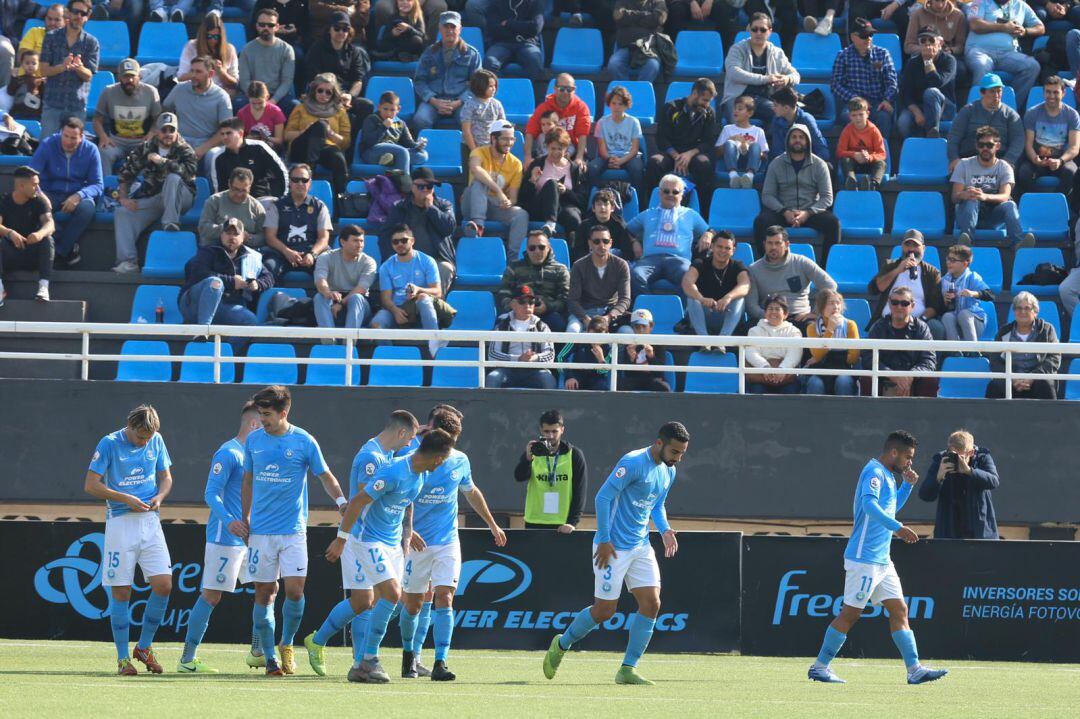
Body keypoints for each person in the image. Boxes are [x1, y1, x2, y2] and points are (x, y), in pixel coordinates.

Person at [543, 421, 690, 686]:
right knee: (604, 611)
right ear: (660, 443)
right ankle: (562, 644)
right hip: (612, 547)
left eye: (682, 453)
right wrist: (604, 539)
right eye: (675, 452)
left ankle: (627, 669)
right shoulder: (632, 462)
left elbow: (657, 506)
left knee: (652, 603)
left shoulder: (669, 471)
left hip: (640, 546)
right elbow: (602, 498)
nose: (678, 458)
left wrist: (665, 530)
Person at [808, 430, 948, 685]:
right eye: (908, 456)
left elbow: (889, 507)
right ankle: (819, 667)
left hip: (882, 559)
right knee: (850, 614)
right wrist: (898, 528)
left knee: (900, 609)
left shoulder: (888, 476)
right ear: (894, 452)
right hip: (864, 558)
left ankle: (914, 669)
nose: (909, 462)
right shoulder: (873, 472)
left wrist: (907, 485)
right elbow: (870, 507)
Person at [324, 428, 455, 683]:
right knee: (393, 594)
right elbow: (359, 501)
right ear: (437, 457)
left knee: (392, 599)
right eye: (443, 459)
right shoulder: (394, 471)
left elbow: (406, 507)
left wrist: (406, 537)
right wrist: (341, 539)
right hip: (368, 540)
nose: (443, 464)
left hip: (392, 543)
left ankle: (362, 663)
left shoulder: (419, 476)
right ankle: (368, 660)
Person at [304, 410, 420, 677]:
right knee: (365, 600)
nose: (410, 445)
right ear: (401, 432)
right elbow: (364, 499)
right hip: (360, 538)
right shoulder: (371, 457)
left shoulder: (388, 456)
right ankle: (349, 655)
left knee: (369, 601)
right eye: (410, 438)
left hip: (377, 538)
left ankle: (342, 653)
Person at [242, 385, 347, 676]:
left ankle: (286, 645)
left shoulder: (304, 441)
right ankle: (269, 658)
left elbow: (325, 475)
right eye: (260, 414)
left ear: (283, 412)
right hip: (261, 532)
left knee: (295, 591)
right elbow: (248, 481)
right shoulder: (253, 441)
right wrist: (245, 517)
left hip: (293, 531)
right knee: (263, 593)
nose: (262, 420)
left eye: (267, 415)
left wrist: (340, 501)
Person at [399, 413, 506, 681]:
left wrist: (492, 524)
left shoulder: (460, 460)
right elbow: (397, 496)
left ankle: (440, 662)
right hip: (417, 543)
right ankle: (409, 656)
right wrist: (407, 531)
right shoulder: (411, 457)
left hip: (447, 541)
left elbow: (471, 491)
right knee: (413, 605)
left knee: (445, 597)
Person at [84, 405, 174, 677]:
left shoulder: (156, 439)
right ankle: (123, 659)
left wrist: (159, 497)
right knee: (121, 592)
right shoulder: (110, 443)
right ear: (130, 426)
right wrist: (126, 498)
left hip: (150, 521)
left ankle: (144, 647)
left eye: (148, 437)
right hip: (121, 523)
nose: (145, 441)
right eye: (141, 436)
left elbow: (166, 477)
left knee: (163, 584)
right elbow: (90, 485)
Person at [177, 401, 262, 674]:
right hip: (225, 537)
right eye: (265, 421)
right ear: (254, 424)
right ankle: (187, 659)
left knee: (267, 590)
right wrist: (230, 522)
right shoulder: (228, 453)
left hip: (253, 537)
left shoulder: (257, 455)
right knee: (211, 596)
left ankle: (258, 652)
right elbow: (210, 493)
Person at [112, 113, 198, 274]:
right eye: (164, 130)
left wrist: (163, 161)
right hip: (156, 198)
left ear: (177, 132)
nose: (167, 134)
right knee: (122, 213)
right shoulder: (146, 147)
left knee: (173, 178)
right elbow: (126, 173)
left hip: (182, 198)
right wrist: (123, 198)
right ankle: (128, 262)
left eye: (171, 130)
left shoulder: (185, 149)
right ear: (157, 131)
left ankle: (170, 224)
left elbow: (189, 174)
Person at [755, 124, 840, 258]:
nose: (797, 140)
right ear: (788, 140)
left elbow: (827, 197)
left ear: (808, 141)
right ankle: (763, 264)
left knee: (833, 223)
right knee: (761, 221)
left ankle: (826, 268)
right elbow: (767, 195)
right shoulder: (776, 163)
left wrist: (808, 213)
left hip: (810, 212)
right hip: (783, 212)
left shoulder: (820, 165)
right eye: (794, 137)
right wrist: (784, 211)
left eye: (801, 137)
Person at [29, 116, 102, 267]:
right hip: (49, 191)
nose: (68, 141)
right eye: (65, 136)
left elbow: (97, 184)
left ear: (82, 137)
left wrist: (79, 195)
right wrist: (42, 196)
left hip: (77, 193)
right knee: (36, 206)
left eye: (73, 138)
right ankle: (68, 249)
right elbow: (32, 175)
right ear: (61, 132)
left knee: (88, 208)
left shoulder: (91, 150)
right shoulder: (48, 144)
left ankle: (60, 251)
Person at [627, 174, 714, 298]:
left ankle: (683, 314)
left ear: (681, 194)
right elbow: (627, 230)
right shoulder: (647, 214)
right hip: (650, 260)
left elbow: (711, 230)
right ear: (660, 193)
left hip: (679, 261)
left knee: (688, 277)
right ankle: (649, 309)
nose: (671, 195)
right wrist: (634, 242)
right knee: (635, 275)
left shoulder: (691, 214)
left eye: (675, 192)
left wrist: (708, 234)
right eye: (666, 191)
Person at [950, 125, 1035, 248]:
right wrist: (965, 194)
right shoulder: (964, 164)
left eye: (989, 145)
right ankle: (966, 242)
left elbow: (1005, 196)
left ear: (997, 146)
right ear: (976, 146)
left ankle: (1018, 243)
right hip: (967, 213)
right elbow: (954, 197)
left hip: (993, 216)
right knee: (972, 200)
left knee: (1010, 205)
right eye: (981, 145)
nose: (985, 148)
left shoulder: (1004, 167)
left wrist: (984, 196)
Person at [370, 224, 447, 356]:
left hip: (421, 308)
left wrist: (419, 290)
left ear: (412, 241)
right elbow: (386, 298)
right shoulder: (386, 266)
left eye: (404, 240)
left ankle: (435, 342)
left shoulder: (427, 261)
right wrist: (395, 311)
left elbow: (437, 292)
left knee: (423, 298)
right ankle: (391, 359)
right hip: (399, 308)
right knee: (376, 325)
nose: (400, 244)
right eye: (395, 241)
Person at [180, 217, 273, 326]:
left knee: (250, 320)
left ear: (243, 237)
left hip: (225, 307)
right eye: (228, 233)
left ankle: (226, 344)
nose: (231, 237)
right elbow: (197, 272)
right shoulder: (208, 251)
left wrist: (257, 284)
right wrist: (231, 282)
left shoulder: (251, 257)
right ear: (221, 235)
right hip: (195, 304)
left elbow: (269, 277)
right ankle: (203, 330)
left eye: (236, 234)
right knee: (215, 283)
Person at [747, 226, 837, 330]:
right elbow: (751, 306)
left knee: (813, 329)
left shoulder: (801, 262)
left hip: (799, 317)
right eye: (770, 243)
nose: (773, 247)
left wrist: (816, 312)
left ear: (786, 244)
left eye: (778, 243)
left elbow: (830, 285)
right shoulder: (754, 269)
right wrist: (771, 316)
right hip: (768, 318)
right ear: (764, 244)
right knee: (745, 330)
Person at [513, 409, 588, 532]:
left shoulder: (574, 455)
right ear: (541, 430)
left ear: (562, 430)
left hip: (562, 524)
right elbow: (519, 477)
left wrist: (572, 523)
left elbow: (580, 492)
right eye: (547, 431)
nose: (551, 436)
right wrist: (527, 459)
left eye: (555, 431)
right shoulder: (534, 451)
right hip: (535, 521)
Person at [383, 166, 456, 291]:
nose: (426, 190)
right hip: (407, 258)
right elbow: (386, 236)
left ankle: (437, 305)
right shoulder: (400, 208)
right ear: (412, 187)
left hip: (437, 258)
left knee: (445, 268)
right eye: (421, 187)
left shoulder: (444, 205)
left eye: (430, 187)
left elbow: (449, 229)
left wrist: (431, 209)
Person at [462, 119, 529, 254]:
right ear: (493, 138)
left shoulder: (516, 164)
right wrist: (499, 191)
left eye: (512, 139)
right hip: (472, 203)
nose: (509, 143)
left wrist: (508, 202)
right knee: (480, 181)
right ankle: (478, 226)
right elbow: (476, 169)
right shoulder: (478, 152)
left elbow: (514, 198)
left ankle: (514, 258)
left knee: (521, 214)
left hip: (494, 206)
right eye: (505, 139)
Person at [918, 429, 1000, 540]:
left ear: (971, 452)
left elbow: (994, 481)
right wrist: (938, 477)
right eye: (953, 455)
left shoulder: (982, 457)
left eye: (960, 457)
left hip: (980, 531)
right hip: (949, 532)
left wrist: (969, 471)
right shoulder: (941, 460)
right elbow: (925, 495)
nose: (956, 460)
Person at [720, 13, 799, 126]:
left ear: (770, 31)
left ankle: (766, 141)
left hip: (765, 100)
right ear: (749, 29)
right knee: (736, 130)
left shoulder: (777, 52)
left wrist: (787, 79)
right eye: (754, 29)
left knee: (782, 116)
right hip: (738, 99)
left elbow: (796, 75)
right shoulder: (737, 49)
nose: (758, 33)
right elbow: (733, 73)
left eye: (763, 30)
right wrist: (766, 79)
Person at [648, 78, 718, 206]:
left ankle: (703, 209)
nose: (707, 104)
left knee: (705, 164)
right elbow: (661, 138)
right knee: (654, 163)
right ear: (695, 93)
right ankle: (651, 205)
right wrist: (676, 156)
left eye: (709, 101)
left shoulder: (709, 113)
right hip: (671, 153)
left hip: (693, 154)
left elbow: (709, 141)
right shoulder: (671, 108)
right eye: (705, 100)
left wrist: (689, 154)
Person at [964, 0, 1043, 111]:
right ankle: (978, 112)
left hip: (1008, 53)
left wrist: (1025, 31)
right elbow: (975, 25)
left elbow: (1040, 27)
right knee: (982, 66)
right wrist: (1003, 27)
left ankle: (1008, 109)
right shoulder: (981, 2)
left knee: (1032, 66)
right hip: (980, 50)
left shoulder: (1020, 4)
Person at [868, 229, 946, 341]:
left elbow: (935, 305)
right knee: (876, 328)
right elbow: (874, 289)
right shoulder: (890, 266)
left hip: (919, 324)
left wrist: (920, 321)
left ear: (923, 248)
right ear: (901, 247)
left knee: (936, 327)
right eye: (907, 245)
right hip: (888, 321)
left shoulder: (932, 273)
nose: (911, 249)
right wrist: (897, 270)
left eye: (915, 245)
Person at [412, 12, 481, 133]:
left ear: (460, 29)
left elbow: (476, 85)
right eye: (446, 27)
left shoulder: (472, 54)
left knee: (470, 121)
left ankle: (469, 151)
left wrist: (459, 102)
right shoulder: (429, 53)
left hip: (461, 101)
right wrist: (433, 100)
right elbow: (419, 81)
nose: (449, 30)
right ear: (440, 28)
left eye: (453, 27)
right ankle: (424, 150)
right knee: (420, 120)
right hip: (433, 100)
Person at [862, 286, 938, 397]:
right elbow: (868, 358)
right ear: (889, 303)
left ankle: (925, 414)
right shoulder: (879, 327)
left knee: (929, 381)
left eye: (904, 303)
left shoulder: (921, 328)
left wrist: (910, 376)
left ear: (912, 306)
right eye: (895, 302)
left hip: (913, 380)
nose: (899, 307)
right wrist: (892, 375)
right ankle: (870, 414)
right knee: (867, 379)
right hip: (884, 378)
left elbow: (929, 360)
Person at [261, 163, 331, 281]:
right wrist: (286, 252)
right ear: (289, 182)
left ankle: (326, 299)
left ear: (310, 183)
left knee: (329, 269)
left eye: (304, 180)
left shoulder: (319, 206)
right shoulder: (276, 206)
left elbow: (324, 238)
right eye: (295, 179)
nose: (300, 183)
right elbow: (270, 237)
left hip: (311, 254)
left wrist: (312, 254)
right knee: (268, 268)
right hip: (281, 254)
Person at [38, 0, 98, 137]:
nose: (78, 16)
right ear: (68, 13)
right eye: (75, 11)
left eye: (83, 13)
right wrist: (63, 67)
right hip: (53, 103)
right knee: (48, 150)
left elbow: (89, 75)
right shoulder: (51, 37)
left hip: (76, 106)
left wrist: (79, 67)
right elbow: (43, 70)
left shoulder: (91, 42)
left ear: (87, 17)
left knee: (74, 152)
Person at [305, 11, 375, 129]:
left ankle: (354, 145)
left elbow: (358, 81)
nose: (341, 32)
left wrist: (350, 96)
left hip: (345, 96)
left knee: (367, 106)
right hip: (324, 94)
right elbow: (314, 78)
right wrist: (333, 96)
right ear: (329, 30)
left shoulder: (354, 52)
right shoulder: (317, 48)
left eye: (345, 29)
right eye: (337, 28)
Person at [831, 18, 898, 141]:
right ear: (852, 37)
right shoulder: (843, 56)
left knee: (884, 117)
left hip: (878, 102)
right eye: (864, 35)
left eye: (871, 34)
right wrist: (857, 99)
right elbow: (836, 85)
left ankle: (882, 154)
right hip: (853, 101)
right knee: (848, 116)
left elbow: (892, 81)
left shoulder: (882, 54)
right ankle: (855, 152)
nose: (868, 38)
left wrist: (887, 100)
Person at [284, 74, 351, 195]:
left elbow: (346, 142)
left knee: (338, 157)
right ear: (314, 90)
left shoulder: (340, 112)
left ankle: (342, 195)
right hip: (301, 148)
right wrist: (304, 131)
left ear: (333, 94)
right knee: (320, 125)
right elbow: (287, 135)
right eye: (320, 90)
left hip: (325, 148)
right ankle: (310, 170)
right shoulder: (301, 108)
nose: (323, 95)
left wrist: (330, 133)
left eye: (328, 92)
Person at [986, 292, 1061, 399]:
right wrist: (1012, 377)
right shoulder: (1004, 331)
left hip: (1037, 380)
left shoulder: (1047, 330)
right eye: (1018, 308)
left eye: (1027, 308)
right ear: (1014, 311)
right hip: (1011, 380)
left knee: (1045, 384)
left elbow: (1054, 358)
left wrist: (1032, 377)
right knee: (994, 386)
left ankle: (1052, 416)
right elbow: (995, 360)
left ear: (1035, 312)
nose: (1022, 311)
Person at [1017, 76, 1080, 202]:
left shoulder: (1072, 115)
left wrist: (1060, 161)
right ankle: (1035, 202)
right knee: (1024, 172)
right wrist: (1036, 160)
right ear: (1044, 93)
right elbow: (1028, 144)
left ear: (1063, 93)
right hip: (1037, 159)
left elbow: (1074, 147)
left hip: (1062, 159)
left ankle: (1058, 204)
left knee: (1071, 172)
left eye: (1055, 92)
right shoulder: (1032, 113)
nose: (1051, 96)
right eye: (1048, 92)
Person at [519, 128, 588, 241]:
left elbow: (582, 200)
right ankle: (550, 224)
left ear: (566, 149)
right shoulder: (537, 164)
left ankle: (573, 253)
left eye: (560, 149)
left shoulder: (574, 168)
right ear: (546, 147)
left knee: (574, 219)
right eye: (553, 148)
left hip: (564, 207)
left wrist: (566, 191)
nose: (556, 152)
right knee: (551, 183)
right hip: (540, 207)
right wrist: (532, 181)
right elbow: (523, 197)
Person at [94, 58, 161, 173]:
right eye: (125, 76)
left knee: (150, 155)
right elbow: (97, 119)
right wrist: (103, 137)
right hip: (116, 142)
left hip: (140, 142)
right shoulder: (108, 92)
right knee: (103, 152)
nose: (129, 80)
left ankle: (143, 188)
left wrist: (151, 134)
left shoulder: (151, 92)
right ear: (119, 77)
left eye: (132, 76)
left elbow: (158, 120)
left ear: (139, 76)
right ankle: (105, 187)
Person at [946, 73, 1024, 172]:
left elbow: (1018, 140)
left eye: (999, 91)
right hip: (969, 158)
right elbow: (954, 136)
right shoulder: (968, 111)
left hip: (1000, 161)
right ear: (982, 93)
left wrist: (1008, 160)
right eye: (992, 91)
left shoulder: (1011, 115)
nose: (996, 95)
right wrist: (954, 158)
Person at [0, 165, 54, 305]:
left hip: (33, 254)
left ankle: (43, 287)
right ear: (21, 186)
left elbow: (50, 224)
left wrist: (39, 234)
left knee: (47, 239)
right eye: (35, 185)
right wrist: (10, 233)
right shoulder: (4, 201)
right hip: (11, 255)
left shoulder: (39, 200)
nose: (38, 188)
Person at [497, 229, 570, 332]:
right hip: (518, 313)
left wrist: (547, 307)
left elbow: (565, 299)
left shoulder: (560, 270)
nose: (537, 251)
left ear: (549, 248)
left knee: (559, 324)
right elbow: (503, 293)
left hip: (549, 314)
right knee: (500, 324)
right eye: (532, 248)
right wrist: (514, 306)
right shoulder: (514, 267)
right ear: (527, 249)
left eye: (541, 247)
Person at [162, 56, 234, 162]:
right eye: (192, 71)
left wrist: (202, 149)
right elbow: (165, 110)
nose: (193, 75)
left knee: (213, 156)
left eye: (198, 72)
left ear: (210, 74)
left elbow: (225, 130)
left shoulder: (221, 97)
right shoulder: (179, 89)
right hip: (179, 141)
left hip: (207, 143)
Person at [681, 230, 749, 342]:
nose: (723, 251)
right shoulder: (700, 263)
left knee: (739, 299)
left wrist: (728, 297)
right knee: (692, 298)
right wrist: (701, 298)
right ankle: (704, 341)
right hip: (704, 316)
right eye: (719, 246)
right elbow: (687, 283)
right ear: (712, 246)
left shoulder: (738, 266)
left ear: (733, 251)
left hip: (727, 316)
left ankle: (722, 341)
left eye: (727, 248)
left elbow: (745, 285)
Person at [486, 285, 557, 389]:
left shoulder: (542, 326)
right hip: (507, 370)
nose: (527, 306)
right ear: (513, 304)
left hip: (534, 370)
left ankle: (551, 406)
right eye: (522, 302)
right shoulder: (502, 324)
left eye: (531, 302)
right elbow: (493, 354)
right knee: (493, 378)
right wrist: (518, 359)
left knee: (548, 379)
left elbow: (550, 355)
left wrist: (534, 358)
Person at [567, 224, 632, 333]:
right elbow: (573, 300)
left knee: (627, 333)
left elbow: (625, 299)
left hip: (611, 313)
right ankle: (571, 351)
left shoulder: (621, 265)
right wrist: (585, 318)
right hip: (585, 312)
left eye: (605, 241)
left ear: (610, 243)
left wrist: (610, 316)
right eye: (596, 241)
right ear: (590, 243)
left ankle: (615, 351)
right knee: (572, 330)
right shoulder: (578, 266)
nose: (601, 245)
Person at [312, 224, 376, 332]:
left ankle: (348, 342)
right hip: (333, 300)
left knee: (356, 298)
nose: (360, 245)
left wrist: (341, 303)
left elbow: (361, 289)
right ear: (342, 242)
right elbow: (320, 280)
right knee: (320, 297)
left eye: (362, 241)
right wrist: (328, 293)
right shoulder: (326, 257)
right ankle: (329, 340)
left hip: (359, 306)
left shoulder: (368, 262)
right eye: (355, 241)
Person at [897, 26, 957, 140]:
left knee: (931, 92)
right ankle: (916, 148)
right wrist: (917, 112)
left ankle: (932, 134)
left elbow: (937, 83)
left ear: (940, 43)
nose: (927, 44)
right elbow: (907, 93)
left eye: (931, 40)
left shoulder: (949, 60)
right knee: (903, 122)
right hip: (919, 106)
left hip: (944, 106)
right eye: (923, 41)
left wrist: (928, 61)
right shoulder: (912, 63)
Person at [210, 117, 288, 202]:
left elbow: (281, 172)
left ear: (240, 133)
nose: (225, 137)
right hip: (235, 204)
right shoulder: (218, 157)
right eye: (222, 134)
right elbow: (220, 188)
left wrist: (282, 198)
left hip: (263, 200)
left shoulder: (259, 147)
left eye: (228, 133)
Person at [523, 73, 592, 163]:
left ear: (574, 90)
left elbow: (583, 135)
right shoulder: (544, 108)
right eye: (562, 89)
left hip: (571, 152)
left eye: (569, 89)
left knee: (582, 170)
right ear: (555, 89)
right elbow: (530, 132)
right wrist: (528, 157)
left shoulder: (581, 107)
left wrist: (579, 158)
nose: (565, 92)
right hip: (546, 153)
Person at [803, 288, 860, 396]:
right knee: (815, 383)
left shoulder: (850, 325)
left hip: (844, 369)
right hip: (821, 369)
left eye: (838, 303)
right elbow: (818, 355)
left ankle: (844, 413)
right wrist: (830, 330)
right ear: (822, 306)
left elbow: (853, 357)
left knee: (843, 381)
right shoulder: (812, 328)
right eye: (831, 303)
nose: (835, 307)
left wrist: (829, 357)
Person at [588, 85, 645, 193]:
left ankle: (639, 201)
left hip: (628, 157)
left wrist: (621, 161)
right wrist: (610, 159)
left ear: (626, 105)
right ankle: (596, 197)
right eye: (613, 103)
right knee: (592, 167)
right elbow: (601, 147)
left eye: (620, 104)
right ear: (609, 104)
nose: (616, 107)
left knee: (637, 169)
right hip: (608, 157)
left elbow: (635, 148)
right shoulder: (602, 122)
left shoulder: (634, 122)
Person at [238, 8, 296, 112]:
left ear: (277, 27)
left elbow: (287, 81)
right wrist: (256, 99)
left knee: (294, 106)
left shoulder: (287, 49)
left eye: (270, 25)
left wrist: (273, 100)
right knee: (237, 104)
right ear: (257, 26)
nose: (266, 28)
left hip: (277, 95)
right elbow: (244, 81)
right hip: (253, 94)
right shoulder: (247, 49)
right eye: (262, 24)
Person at [745, 294, 803, 395]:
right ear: (765, 312)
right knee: (756, 393)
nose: (773, 312)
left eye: (777, 309)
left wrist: (783, 369)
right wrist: (765, 367)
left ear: (785, 314)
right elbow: (751, 352)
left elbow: (795, 353)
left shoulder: (794, 331)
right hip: (761, 377)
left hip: (786, 378)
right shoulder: (754, 331)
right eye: (770, 309)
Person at [359, 90, 429, 173]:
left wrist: (417, 145)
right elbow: (369, 142)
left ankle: (390, 161)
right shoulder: (372, 119)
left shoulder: (400, 123)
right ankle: (404, 181)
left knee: (422, 155)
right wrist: (383, 127)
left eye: (392, 110)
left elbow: (408, 143)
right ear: (379, 107)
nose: (388, 113)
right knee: (402, 152)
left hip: (395, 152)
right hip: (372, 152)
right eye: (385, 109)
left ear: (398, 109)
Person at [198, 167, 267, 246]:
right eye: (236, 189)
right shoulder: (214, 201)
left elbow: (263, 236)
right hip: (215, 247)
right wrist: (227, 229)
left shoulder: (257, 208)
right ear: (229, 184)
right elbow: (203, 228)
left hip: (244, 249)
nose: (239, 194)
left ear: (249, 188)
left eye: (244, 190)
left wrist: (248, 238)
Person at [177, 12, 240, 99]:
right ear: (203, 35)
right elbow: (181, 77)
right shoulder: (191, 46)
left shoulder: (229, 49)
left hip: (219, 93)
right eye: (209, 36)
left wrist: (221, 72)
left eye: (216, 37)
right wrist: (199, 72)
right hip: (195, 90)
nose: (213, 40)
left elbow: (234, 82)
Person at [941, 244, 994, 343]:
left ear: (965, 264)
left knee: (963, 314)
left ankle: (973, 351)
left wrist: (973, 293)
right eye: (948, 259)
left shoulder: (972, 277)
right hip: (955, 322)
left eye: (953, 260)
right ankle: (955, 352)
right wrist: (944, 300)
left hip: (974, 322)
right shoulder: (945, 280)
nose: (948, 262)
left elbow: (990, 295)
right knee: (947, 316)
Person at [717, 95, 769, 190]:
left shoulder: (758, 131)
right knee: (729, 143)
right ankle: (733, 176)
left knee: (756, 145)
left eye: (740, 109)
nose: (735, 111)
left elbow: (765, 156)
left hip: (751, 161)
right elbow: (717, 153)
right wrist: (731, 139)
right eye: (735, 108)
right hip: (733, 160)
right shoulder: (727, 129)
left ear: (750, 113)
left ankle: (749, 176)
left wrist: (749, 147)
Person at [606, 0, 666, 82]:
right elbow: (618, 16)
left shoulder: (658, 1)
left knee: (653, 66)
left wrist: (629, 15)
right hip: (626, 46)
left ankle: (640, 91)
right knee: (614, 64)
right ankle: (626, 91)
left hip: (649, 49)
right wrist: (647, 17)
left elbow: (659, 19)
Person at [483, 0, 544, 80]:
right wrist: (522, 29)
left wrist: (509, 23)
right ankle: (500, 90)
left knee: (534, 61)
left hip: (526, 43)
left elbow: (535, 28)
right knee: (489, 61)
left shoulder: (534, 2)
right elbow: (492, 28)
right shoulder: (496, 2)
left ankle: (522, 90)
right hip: (501, 43)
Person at [770, 85, 830, 163]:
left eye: (776, 105)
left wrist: (811, 164)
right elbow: (777, 149)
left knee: (828, 166)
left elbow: (821, 148)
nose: (773, 108)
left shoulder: (807, 119)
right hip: (787, 164)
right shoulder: (776, 120)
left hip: (810, 163)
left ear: (786, 108)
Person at [837, 97, 887, 191]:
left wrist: (869, 157)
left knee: (881, 164)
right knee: (845, 160)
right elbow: (840, 152)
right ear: (849, 116)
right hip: (854, 164)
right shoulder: (847, 130)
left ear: (867, 114)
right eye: (854, 115)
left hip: (869, 163)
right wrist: (854, 155)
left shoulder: (874, 130)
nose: (858, 118)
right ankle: (851, 182)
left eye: (861, 114)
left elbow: (882, 154)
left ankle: (872, 184)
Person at [620, 308, 672, 392]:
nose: (641, 330)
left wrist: (651, 356)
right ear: (632, 328)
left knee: (663, 387)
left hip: (653, 379)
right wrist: (631, 359)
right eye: (637, 327)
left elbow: (659, 373)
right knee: (617, 385)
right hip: (635, 380)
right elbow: (628, 374)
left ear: (651, 326)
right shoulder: (629, 344)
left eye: (644, 326)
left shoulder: (658, 344)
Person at [904, 0, 968, 67]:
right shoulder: (917, 14)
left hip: (947, 56)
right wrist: (926, 50)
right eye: (936, 1)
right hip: (921, 56)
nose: (940, 5)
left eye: (943, 1)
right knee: (911, 67)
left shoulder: (958, 15)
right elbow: (908, 46)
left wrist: (952, 50)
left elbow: (961, 45)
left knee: (960, 70)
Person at [575, 188, 633, 261]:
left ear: (612, 208)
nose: (602, 207)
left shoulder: (620, 225)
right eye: (599, 204)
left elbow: (627, 252)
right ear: (593, 208)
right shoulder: (584, 226)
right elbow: (578, 252)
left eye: (606, 204)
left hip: (614, 263)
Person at [561, 315, 614, 391]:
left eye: (600, 337)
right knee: (568, 386)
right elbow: (561, 357)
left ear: (607, 334)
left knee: (602, 386)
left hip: (597, 378)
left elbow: (603, 373)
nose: (596, 341)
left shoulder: (610, 347)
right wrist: (569, 376)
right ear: (587, 331)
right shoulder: (579, 339)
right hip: (576, 376)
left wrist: (601, 360)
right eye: (592, 336)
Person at [460, 69, 506, 152]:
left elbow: (502, 125)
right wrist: (474, 150)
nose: (494, 89)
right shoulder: (469, 105)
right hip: (470, 147)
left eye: (494, 86)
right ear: (480, 86)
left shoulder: (497, 104)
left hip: (491, 148)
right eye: (490, 86)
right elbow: (466, 130)